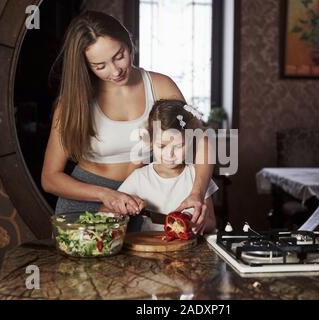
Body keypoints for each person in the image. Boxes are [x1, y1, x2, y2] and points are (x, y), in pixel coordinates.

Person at [41, 11, 214, 230]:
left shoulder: (161, 86)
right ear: (85, 65)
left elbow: (201, 140)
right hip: (86, 203)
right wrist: (105, 194)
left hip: (146, 202)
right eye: (100, 66)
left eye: (119, 55)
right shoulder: (73, 102)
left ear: (129, 42)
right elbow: (50, 178)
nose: (115, 71)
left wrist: (196, 193)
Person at [99, 100, 218, 234]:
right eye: (161, 146)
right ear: (150, 141)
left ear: (190, 142)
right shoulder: (140, 177)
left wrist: (194, 224)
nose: (170, 154)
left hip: (189, 247)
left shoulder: (198, 177)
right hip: (150, 248)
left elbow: (211, 222)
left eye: (179, 146)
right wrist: (121, 212)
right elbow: (104, 212)